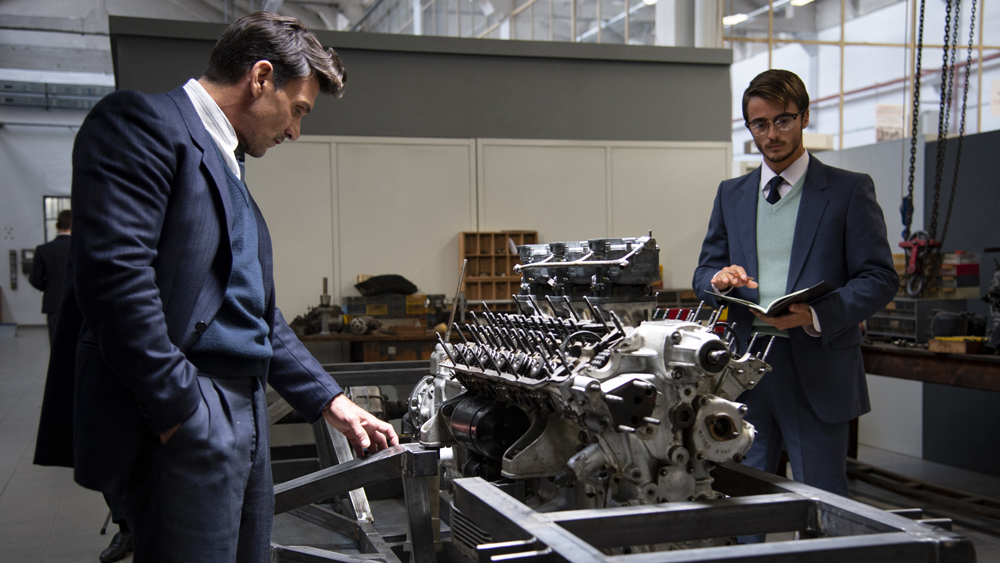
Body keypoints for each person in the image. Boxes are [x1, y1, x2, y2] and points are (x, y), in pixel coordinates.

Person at [39, 12, 398, 562]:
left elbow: (254, 312)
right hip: (190, 404)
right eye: (297, 110)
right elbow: (115, 280)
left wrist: (332, 402)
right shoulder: (143, 124)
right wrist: (180, 411)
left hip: (243, 407)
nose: (295, 131)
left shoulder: (227, 163)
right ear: (260, 78)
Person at [692, 69, 898, 501]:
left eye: (783, 120)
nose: (772, 134)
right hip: (745, 370)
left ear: (804, 117)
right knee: (744, 498)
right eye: (759, 124)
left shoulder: (847, 191)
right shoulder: (732, 194)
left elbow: (880, 278)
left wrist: (816, 314)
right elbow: (704, 272)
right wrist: (719, 279)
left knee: (821, 500)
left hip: (818, 366)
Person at [28, 209, 72, 344]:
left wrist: (50, 287)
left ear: (57, 226)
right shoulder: (80, 248)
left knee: (56, 345)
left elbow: (35, 279)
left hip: (54, 303)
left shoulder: (43, 249)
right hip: (78, 303)